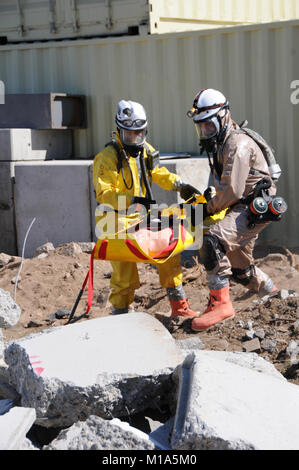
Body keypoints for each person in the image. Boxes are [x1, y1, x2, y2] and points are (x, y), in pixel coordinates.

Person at [93, 99, 200, 317]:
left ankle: (179, 306)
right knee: (124, 274)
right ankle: (120, 314)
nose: (134, 139)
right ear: (119, 131)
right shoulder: (106, 159)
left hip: (142, 216)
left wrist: (181, 185)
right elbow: (105, 194)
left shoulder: (145, 151)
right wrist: (131, 199)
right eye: (129, 134)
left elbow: (158, 173)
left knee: (168, 252)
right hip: (115, 221)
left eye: (139, 134)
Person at [186, 88, 279, 332]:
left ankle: (221, 305)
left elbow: (233, 191)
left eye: (209, 126)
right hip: (243, 205)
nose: (205, 132)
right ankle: (276, 296)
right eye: (201, 127)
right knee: (240, 270)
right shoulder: (224, 142)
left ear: (223, 117)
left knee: (212, 243)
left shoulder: (238, 144)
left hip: (252, 205)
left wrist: (206, 208)